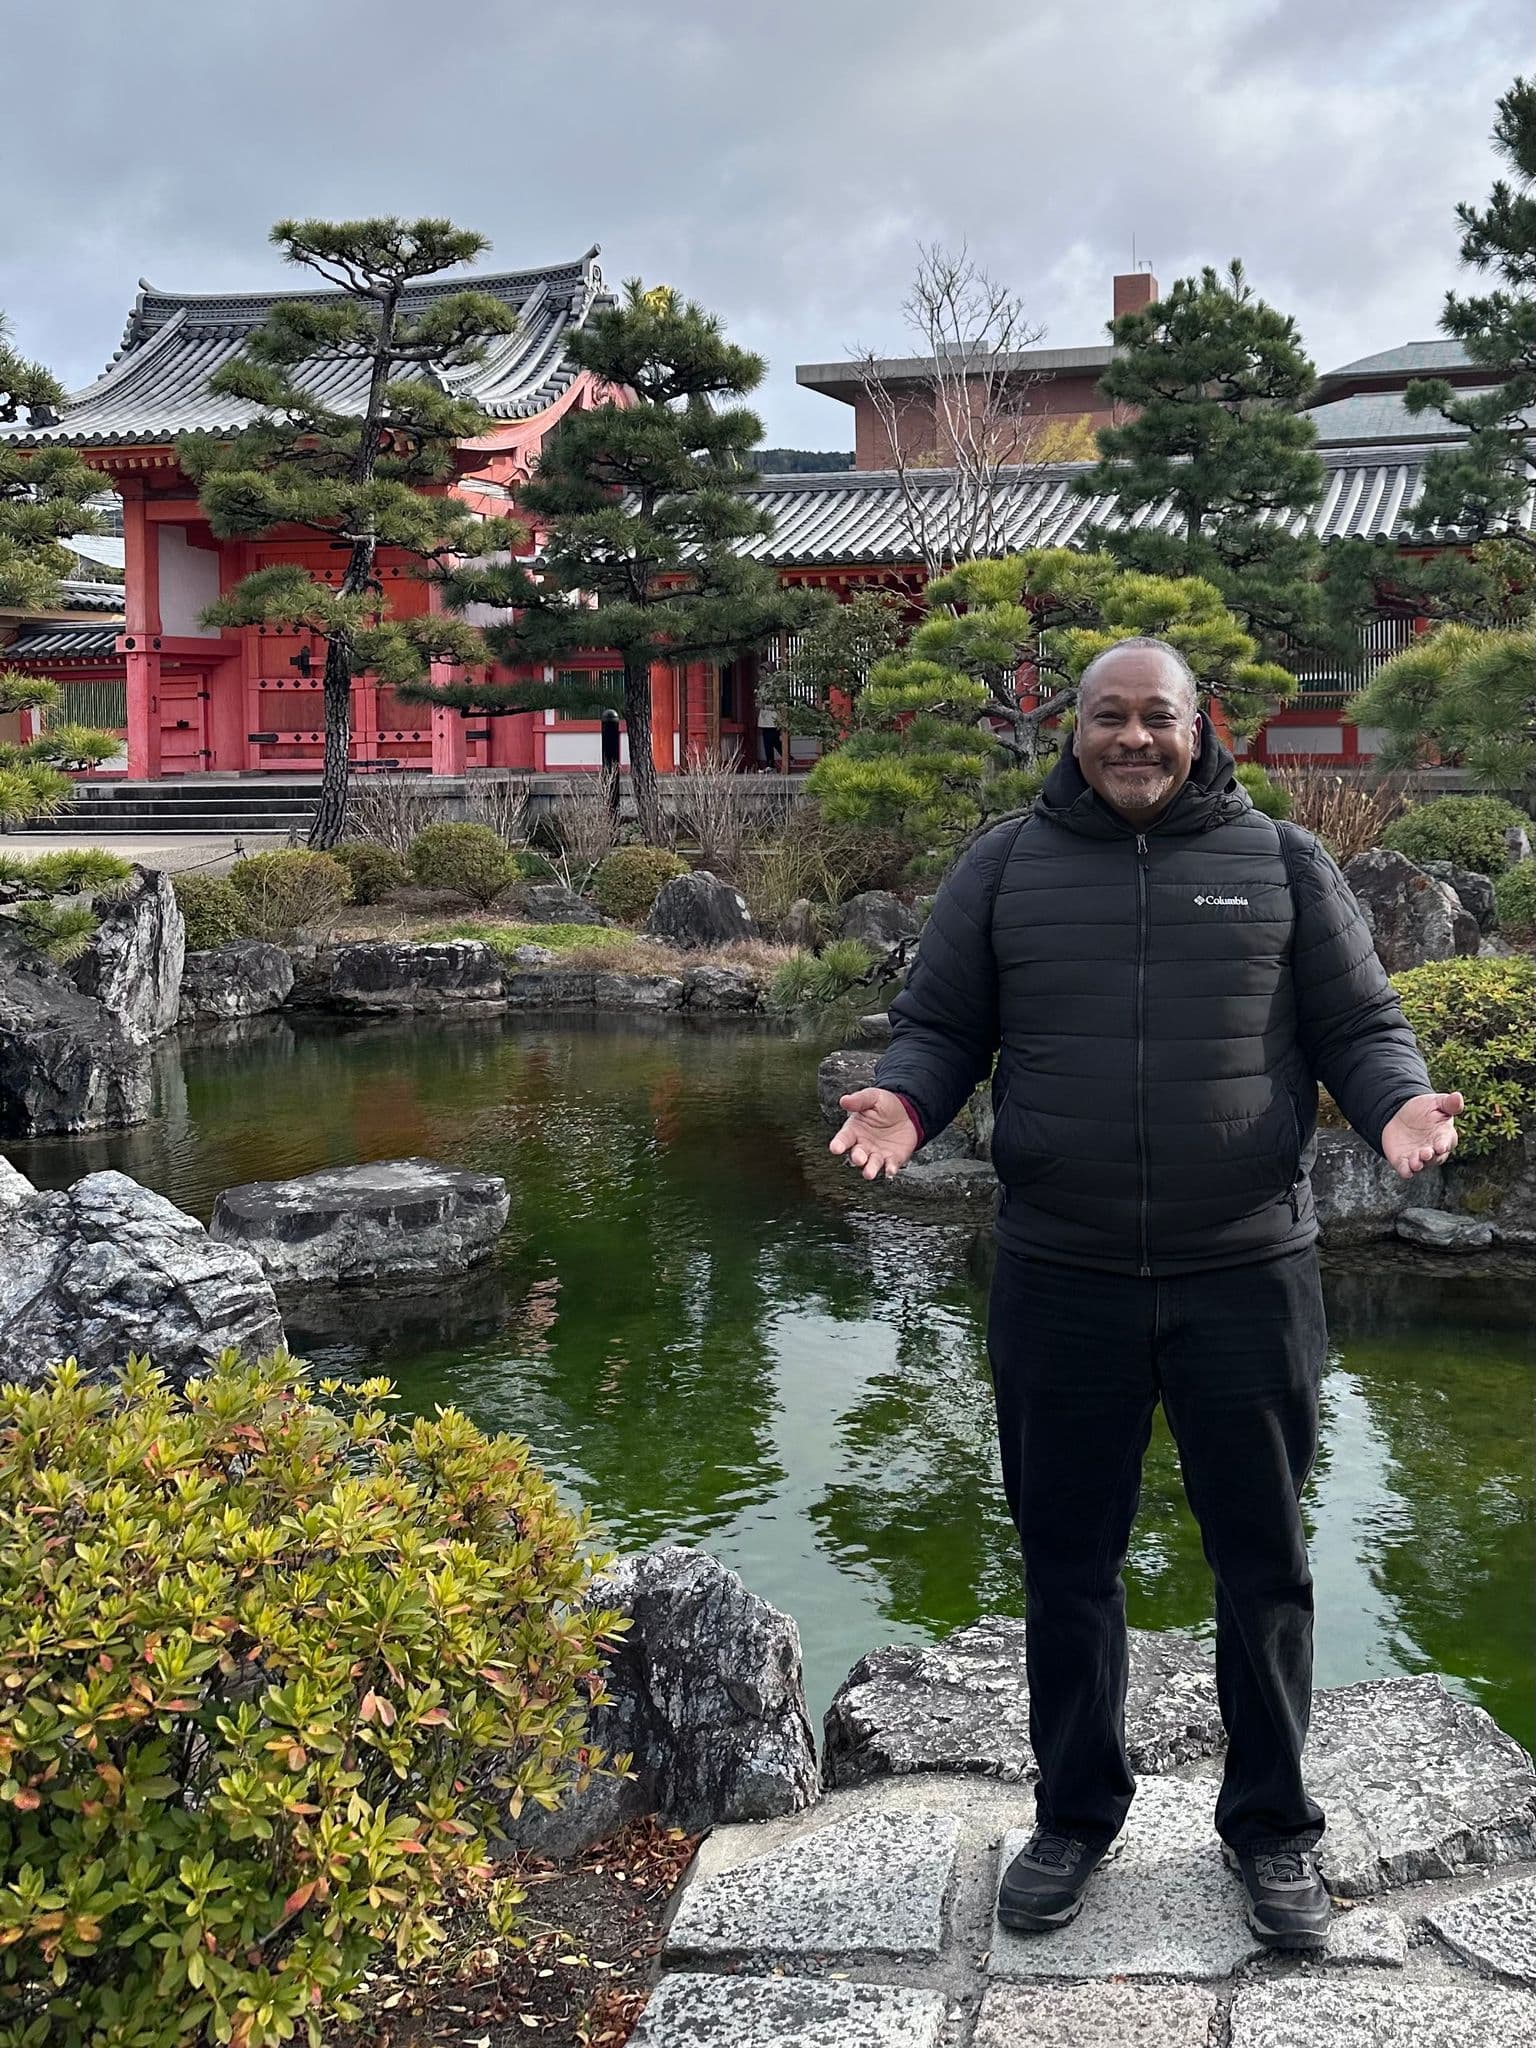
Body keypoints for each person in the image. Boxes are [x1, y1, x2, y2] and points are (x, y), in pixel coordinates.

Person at [829, 639, 1461, 1952]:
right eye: (1108, 718)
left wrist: (1397, 1109)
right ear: (1076, 729)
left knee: (1265, 1564)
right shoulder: (1005, 865)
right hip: (1063, 1274)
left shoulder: (1283, 864)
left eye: (1155, 718)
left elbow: (1359, 1024)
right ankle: (1073, 1816)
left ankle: (1274, 1830)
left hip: (1248, 1272)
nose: (1133, 740)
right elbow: (941, 1024)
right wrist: (907, 1097)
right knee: (1067, 1566)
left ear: (1198, 725)